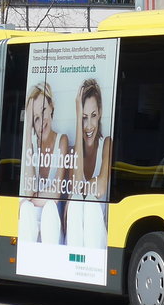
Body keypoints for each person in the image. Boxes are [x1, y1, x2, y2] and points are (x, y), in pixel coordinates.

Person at [18, 82, 69, 244]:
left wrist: (30, 199)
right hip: (34, 215)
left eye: (43, 111)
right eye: (36, 119)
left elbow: (56, 194)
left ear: (51, 107)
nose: (42, 122)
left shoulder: (62, 140)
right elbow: (28, 189)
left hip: (52, 215)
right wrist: (27, 133)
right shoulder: (31, 145)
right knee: (25, 208)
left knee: (46, 208)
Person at [65, 79, 112, 248]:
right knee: (77, 201)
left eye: (93, 115)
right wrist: (78, 120)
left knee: (90, 202)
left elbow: (100, 189)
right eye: (84, 118)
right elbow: (76, 188)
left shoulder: (107, 144)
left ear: (100, 112)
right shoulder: (74, 151)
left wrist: (84, 187)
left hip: (97, 236)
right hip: (76, 234)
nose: (89, 125)